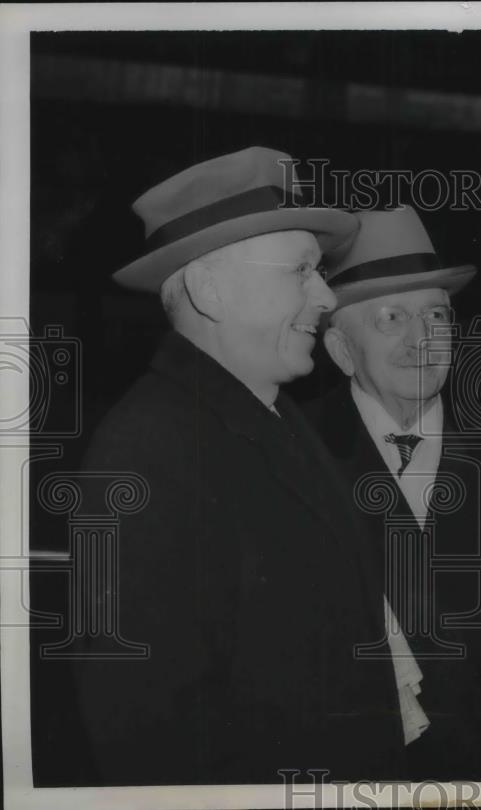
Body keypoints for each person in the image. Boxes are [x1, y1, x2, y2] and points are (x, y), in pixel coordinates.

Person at [71, 147, 407, 784]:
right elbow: (149, 742)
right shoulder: (146, 455)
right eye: (302, 270)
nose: (326, 294)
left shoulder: (267, 416)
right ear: (209, 288)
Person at [304, 206, 481, 780]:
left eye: (437, 314)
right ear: (339, 350)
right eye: (391, 318)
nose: (423, 340)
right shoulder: (296, 456)